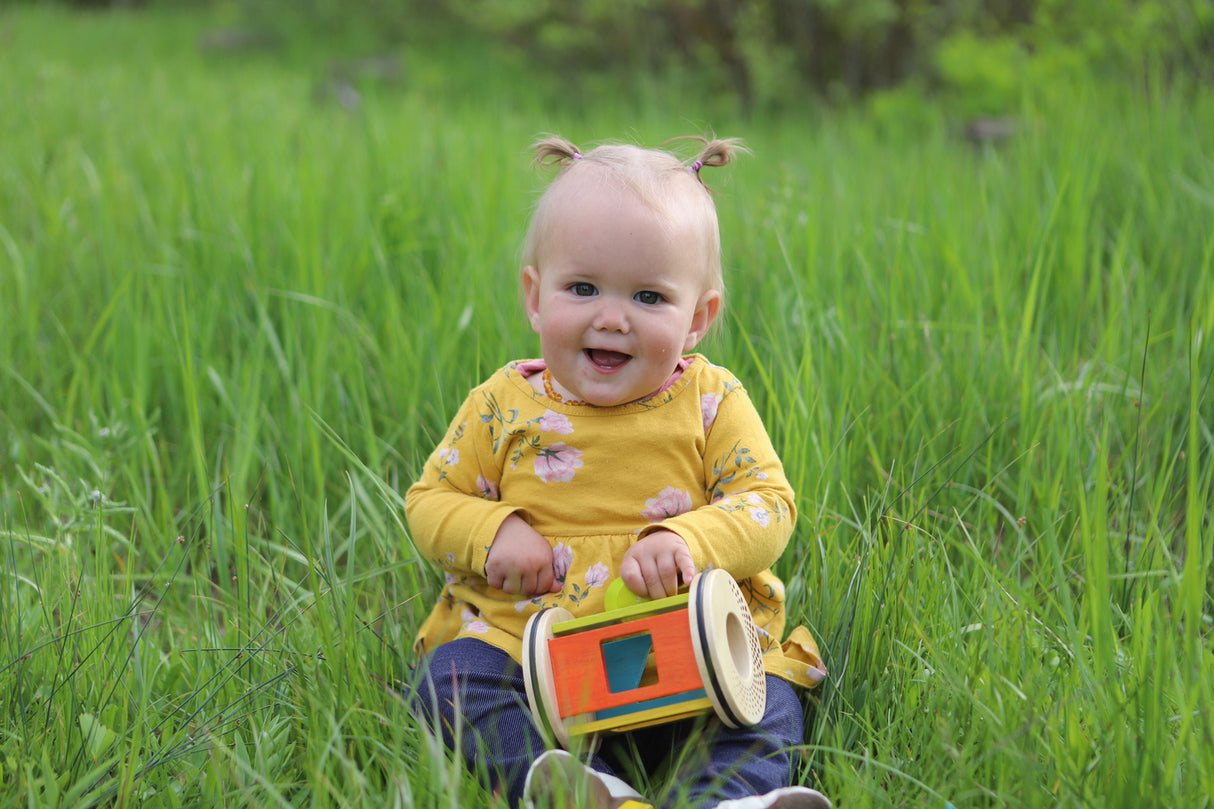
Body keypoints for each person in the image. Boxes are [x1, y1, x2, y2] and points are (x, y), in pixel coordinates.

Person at [405, 135, 829, 809]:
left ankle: (721, 798)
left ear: (698, 317)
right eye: (582, 288)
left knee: (769, 701)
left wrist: (688, 539)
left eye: (648, 297)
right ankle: (582, 788)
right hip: (534, 653)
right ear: (535, 296)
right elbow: (431, 498)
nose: (611, 318)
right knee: (450, 679)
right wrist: (492, 531)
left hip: (688, 654)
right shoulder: (502, 404)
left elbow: (768, 502)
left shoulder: (711, 400)